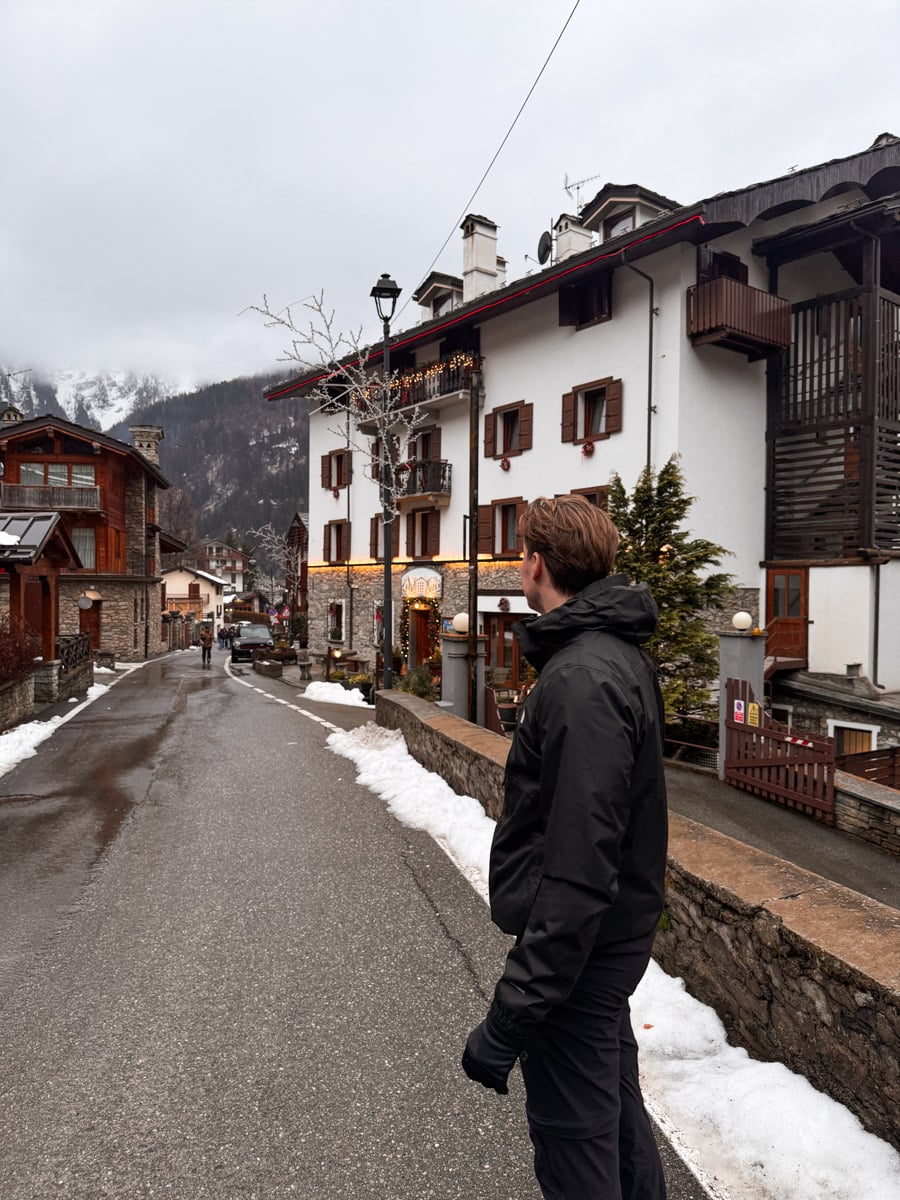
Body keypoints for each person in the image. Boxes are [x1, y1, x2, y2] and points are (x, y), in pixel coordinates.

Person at [462, 495, 668, 1200]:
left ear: (537, 565)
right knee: (613, 1113)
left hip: (582, 953)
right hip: (608, 943)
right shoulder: (612, 658)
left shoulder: (581, 679)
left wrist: (510, 1018)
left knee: (575, 1135)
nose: (520, 564)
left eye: (522, 553)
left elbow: (579, 867)